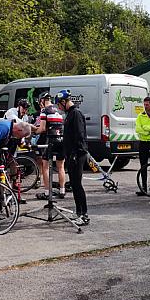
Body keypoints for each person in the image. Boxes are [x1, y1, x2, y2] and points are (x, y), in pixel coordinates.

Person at [55, 90, 90, 226]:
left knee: (77, 185)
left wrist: (75, 153)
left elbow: (80, 136)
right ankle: (78, 212)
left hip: (78, 155)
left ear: (64, 102)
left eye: (59, 105)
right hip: (71, 154)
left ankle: (84, 214)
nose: (58, 108)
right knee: (74, 185)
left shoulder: (75, 114)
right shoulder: (70, 114)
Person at [33, 93, 67, 200]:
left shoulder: (45, 111)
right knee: (61, 167)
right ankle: (62, 191)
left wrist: (34, 131)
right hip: (61, 140)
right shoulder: (60, 111)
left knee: (45, 166)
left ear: (42, 101)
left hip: (51, 140)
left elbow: (42, 128)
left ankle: (47, 192)